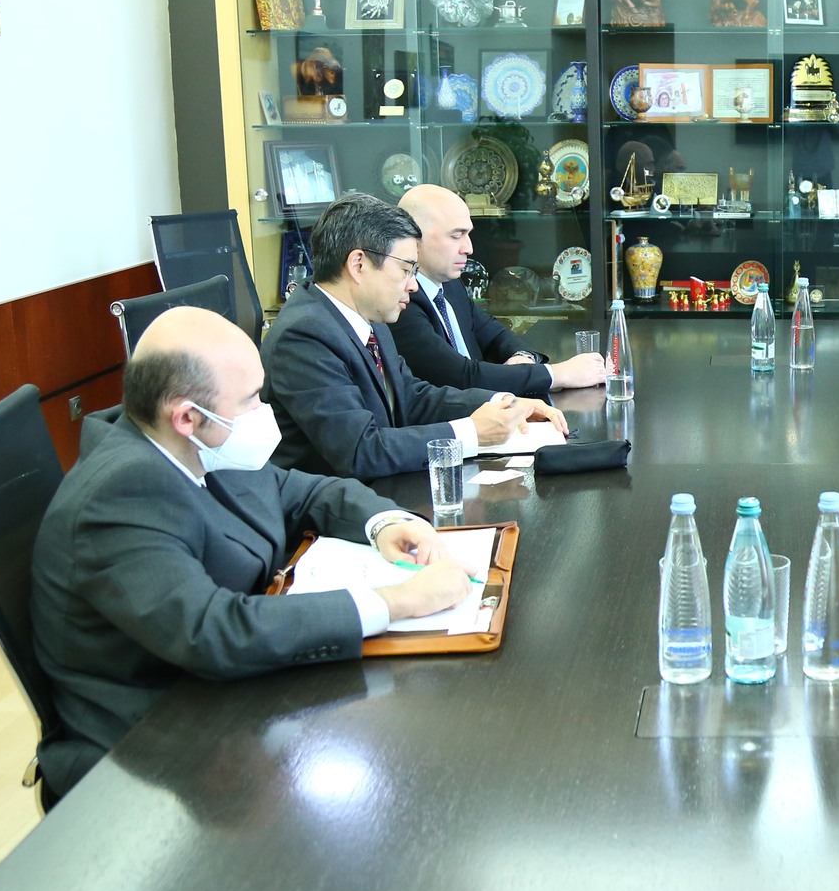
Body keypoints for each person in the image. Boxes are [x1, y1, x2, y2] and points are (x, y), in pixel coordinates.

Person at [31, 306, 478, 774]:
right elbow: (212, 631)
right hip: (157, 740)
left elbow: (300, 491)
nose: (263, 413)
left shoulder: (193, 441)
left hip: (231, 688)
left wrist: (384, 522)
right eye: (250, 400)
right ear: (186, 416)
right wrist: (399, 601)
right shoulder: (122, 494)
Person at [263, 194, 563, 481]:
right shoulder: (304, 336)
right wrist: (471, 432)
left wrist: (504, 403)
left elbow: (411, 396)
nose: (414, 286)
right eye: (406, 269)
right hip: (331, 508)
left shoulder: (369, 313)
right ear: (358, 265)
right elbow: (360, 451)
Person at [390, 185, 606, 395]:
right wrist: (558, 374)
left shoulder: (449, 284)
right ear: (414, 239)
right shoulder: (401, 302)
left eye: (468, 234)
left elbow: (494, 333)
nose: (468, 248)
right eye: (456, 236)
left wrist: (522, 357)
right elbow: (461, 378)